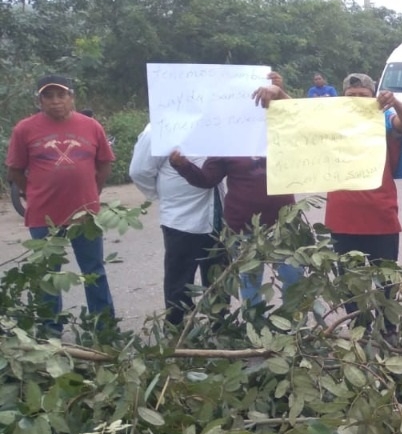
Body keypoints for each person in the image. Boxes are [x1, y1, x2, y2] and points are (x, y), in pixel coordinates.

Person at [251, 72, 402, 332]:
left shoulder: (383, 121)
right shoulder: (332, 125)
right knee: (348, 287)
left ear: (373, 98)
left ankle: (388, 335)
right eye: (351, 96)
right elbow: (300, 118)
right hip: (341, 221)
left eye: (363, 96)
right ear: (342, 98)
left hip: (382, 218)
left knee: (386, 285)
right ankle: (359, 335)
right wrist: (279, 94)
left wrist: (395, 103)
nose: (357, 100)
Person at [170, 72, 301, 310]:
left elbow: (303, 122)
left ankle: (295, 332)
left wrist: (280, 93)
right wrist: (183, 166)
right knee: (251, 286)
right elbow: (207, 179)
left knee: (295, 280)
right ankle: (257, 334)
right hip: (244, 229)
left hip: (284, 224)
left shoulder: (279, 127)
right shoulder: (226, 139)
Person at [5, 74, 116, 332]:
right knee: (48, 276)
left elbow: (104, 163)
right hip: (43, 216)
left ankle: (105, 328)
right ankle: (50, 330)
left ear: (71, 97)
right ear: (40, 100)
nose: (55, 101)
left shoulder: (90, 126)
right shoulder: (24, 129)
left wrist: (92, 194)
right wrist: (33, 194)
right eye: (48, 96)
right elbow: (15, 171)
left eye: (61, 94)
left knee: (94, 271)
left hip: (85, 214)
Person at [130, 123, 225, 327]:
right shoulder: (158, 129)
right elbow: (139, 171)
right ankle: (177, 330)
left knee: (219, 278)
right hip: (181, 219)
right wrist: (163, 195)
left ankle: (220, 329)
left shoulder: (218, 122)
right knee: (180, 280)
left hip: (217, 215)